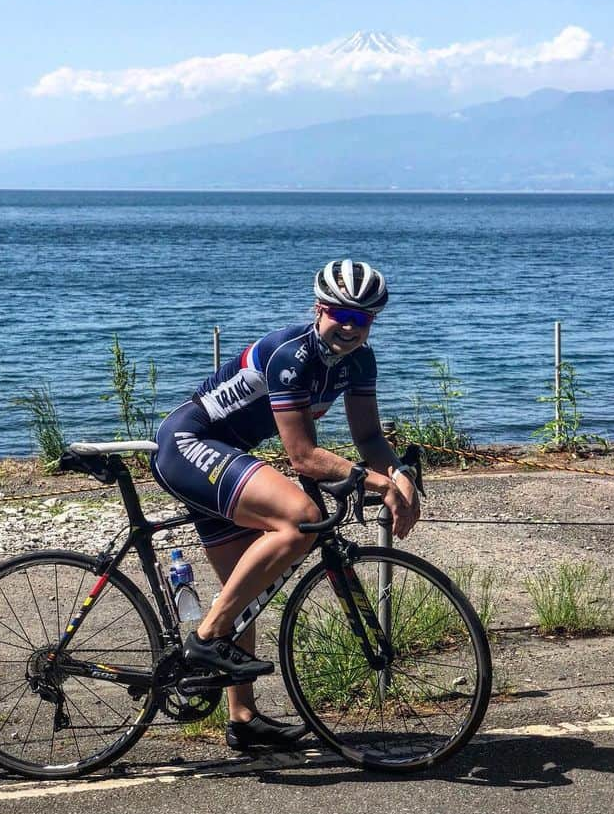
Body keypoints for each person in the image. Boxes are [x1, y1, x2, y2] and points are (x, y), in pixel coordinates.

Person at [149, 259, 421, 750]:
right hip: (189, 444)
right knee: (302, 520)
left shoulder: (360, 362)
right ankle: (207, 639)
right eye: (342, 314)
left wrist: (401, 477)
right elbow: (302, 455)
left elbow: (368, 436)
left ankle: (243, 720)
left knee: (245, 589)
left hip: (224, 455)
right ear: (320, 309)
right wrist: (374, 484)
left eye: (363, 319)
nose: (350, 327)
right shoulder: (289, 355)